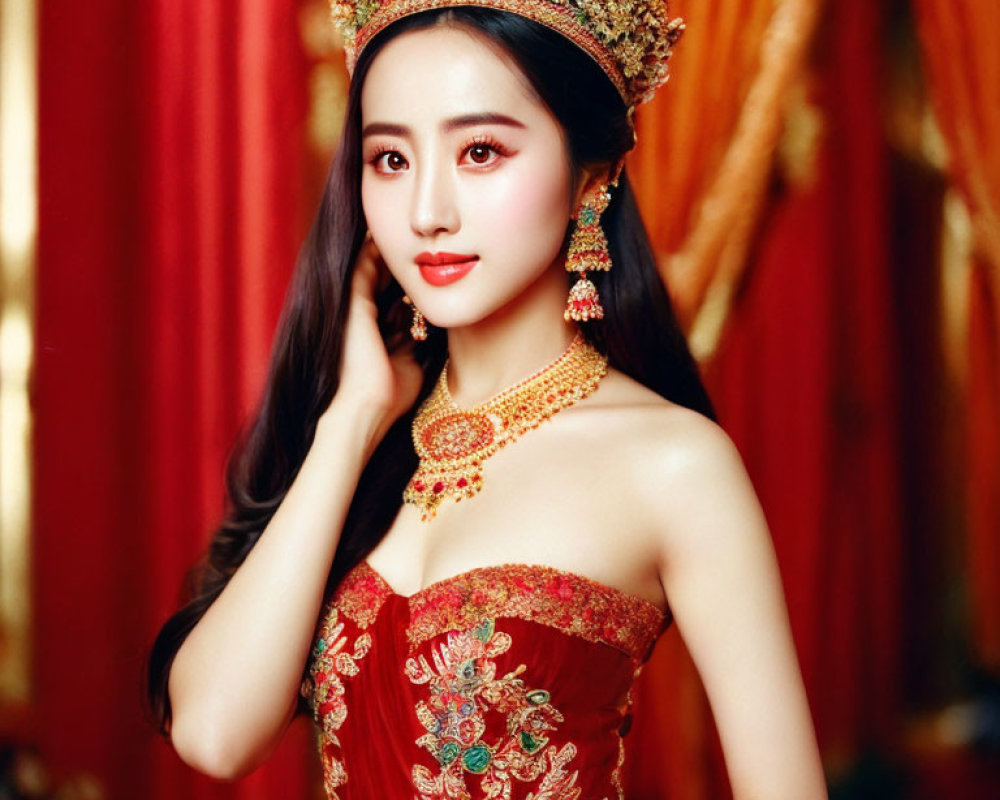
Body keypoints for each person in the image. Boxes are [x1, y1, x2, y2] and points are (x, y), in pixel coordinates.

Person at [147, 1, 827, 797]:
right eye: (391, 161)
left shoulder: (673, 463)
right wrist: (354, 418)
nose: (428, 213)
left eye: (479, 151)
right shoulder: (364, 437)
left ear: (591, 179)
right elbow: (213, 733)